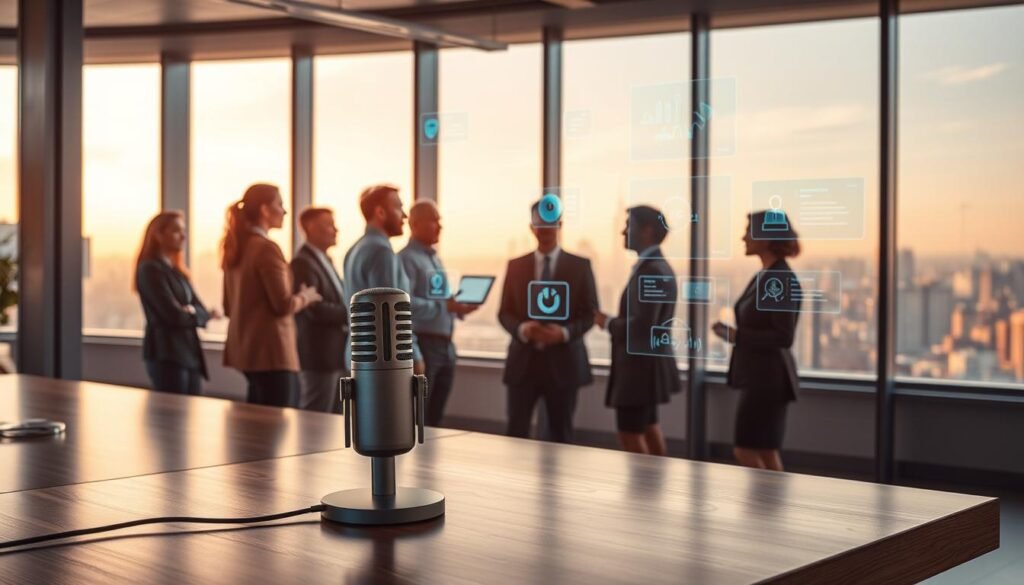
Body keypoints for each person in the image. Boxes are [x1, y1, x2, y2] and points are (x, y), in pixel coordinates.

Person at [498, 200, 598, 443]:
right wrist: (523, 329)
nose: (544, 229)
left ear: (560, 224)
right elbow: (504, 312)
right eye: (539, 224)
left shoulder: (580, 266)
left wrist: (563, 334)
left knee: (561, 437)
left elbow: (590, 313)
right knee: (516, 435)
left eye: (550, 223)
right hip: (524, 364)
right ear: (532, 227)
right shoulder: (516, 266)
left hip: (563, 364)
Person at [712, 210, 801, 471]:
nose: (743, 237)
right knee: (763, 450)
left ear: (766, 237)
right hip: (761, 377)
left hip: (767, 380)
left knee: (747, 449)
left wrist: (737, 336)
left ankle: (766, 507)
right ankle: (771, 508)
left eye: (749, 231)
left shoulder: (779, 278)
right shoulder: (766, 274)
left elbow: (784, 336)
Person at [221, 183, 322, 407]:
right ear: (265, 210)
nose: (285, 211)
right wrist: (306, 296)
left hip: (246, 352)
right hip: (272, 353)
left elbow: (228, 306)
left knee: (257, 427)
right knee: (281, 424)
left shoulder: (236, 247)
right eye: (280, 204)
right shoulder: (266, 248)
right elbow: (283, 305)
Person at [594, 206, 681, 455]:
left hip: (639, 371)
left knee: (630, 433)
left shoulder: (652, 271)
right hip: (646, 368)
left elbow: (643, 327)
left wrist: (608, 323)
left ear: (646, 231)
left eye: (628, 225)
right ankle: (657, 486)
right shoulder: (655, 267)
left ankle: (644, 490)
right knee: (649, 427)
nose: (623, 231)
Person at [399, 200, 478, 427]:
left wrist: (457, 307)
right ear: (414, 224)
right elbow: (404, 303)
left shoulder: (434, 258)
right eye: (434, 220)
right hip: (424, 345)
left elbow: (440, 300)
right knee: (418, 417)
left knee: (435, 418)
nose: (440, 226)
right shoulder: (406, 259)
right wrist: (446, 307)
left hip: (445, 345)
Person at [135, 211, 220, 395]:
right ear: (158, 235)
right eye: (176, 231)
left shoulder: (177, 271)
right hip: (167, 353)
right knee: (173, 417)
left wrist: (192, 312)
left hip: (189, 353)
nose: (183, 236)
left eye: (184, 231)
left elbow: (200, 308)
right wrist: (193, 314)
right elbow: (174, 315)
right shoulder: (149, 270)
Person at [343, 184, 422, 370]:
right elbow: (392, 317)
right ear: (380, 212)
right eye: (398, 208)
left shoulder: (353, 250)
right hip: (385, 364)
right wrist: (415, 356)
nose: (404, 216)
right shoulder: (382, 252)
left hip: (357, 356)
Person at [291, 207, 349, 413]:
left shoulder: (326, 260)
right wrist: (351, 313)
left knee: (331, 420)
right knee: (314, 417)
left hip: (334, 354)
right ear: (310, 228)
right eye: (329, 225)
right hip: (318, 356)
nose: (336, 230)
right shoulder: (302, 263)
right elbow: (313, 309)